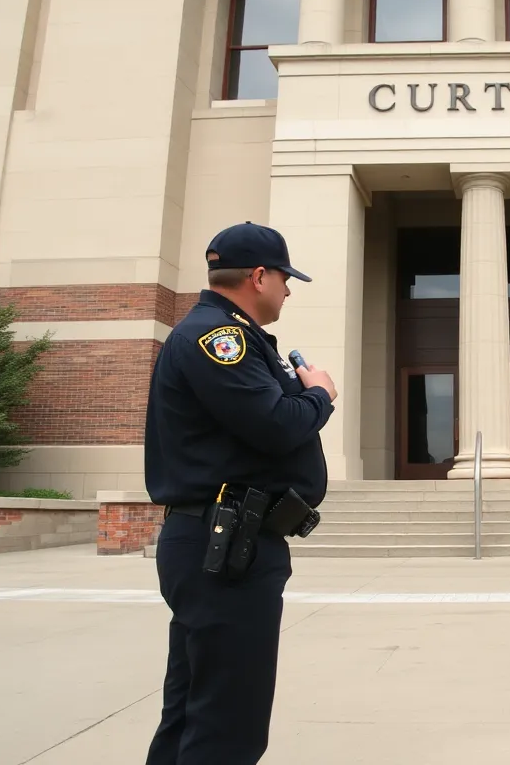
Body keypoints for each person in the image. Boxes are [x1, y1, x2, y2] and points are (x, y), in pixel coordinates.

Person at [143, 221, 338, 765]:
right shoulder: (218, 337)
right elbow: (275, 425)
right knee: (227, 726)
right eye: (284, 277)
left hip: (226, 541)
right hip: (225, 544)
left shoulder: (232, 336)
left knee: (195, 712)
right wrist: (320, 394)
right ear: (258, 276)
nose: (288, 288)